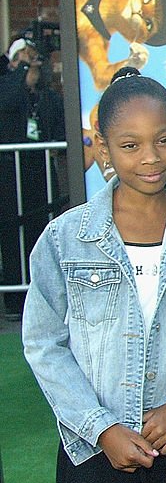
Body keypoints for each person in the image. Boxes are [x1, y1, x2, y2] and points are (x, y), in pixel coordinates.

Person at [22, 66, 166, 483]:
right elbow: (42, 343)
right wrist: (100, 427)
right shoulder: (65, 237)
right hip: (96, 440)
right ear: (103, 145)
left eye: (163, 140)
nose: (150, 157)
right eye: (130, 146)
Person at [0, 38, 65, 319]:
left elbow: (60, 125)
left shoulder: (47, 96)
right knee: (15, 235)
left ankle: (45, 297)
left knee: (43, 231)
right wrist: (21, 71)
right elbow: (8, 102)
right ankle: (16, 300)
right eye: (21, 60)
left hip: (40, 174)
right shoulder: (7, 87)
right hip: (11, 175)